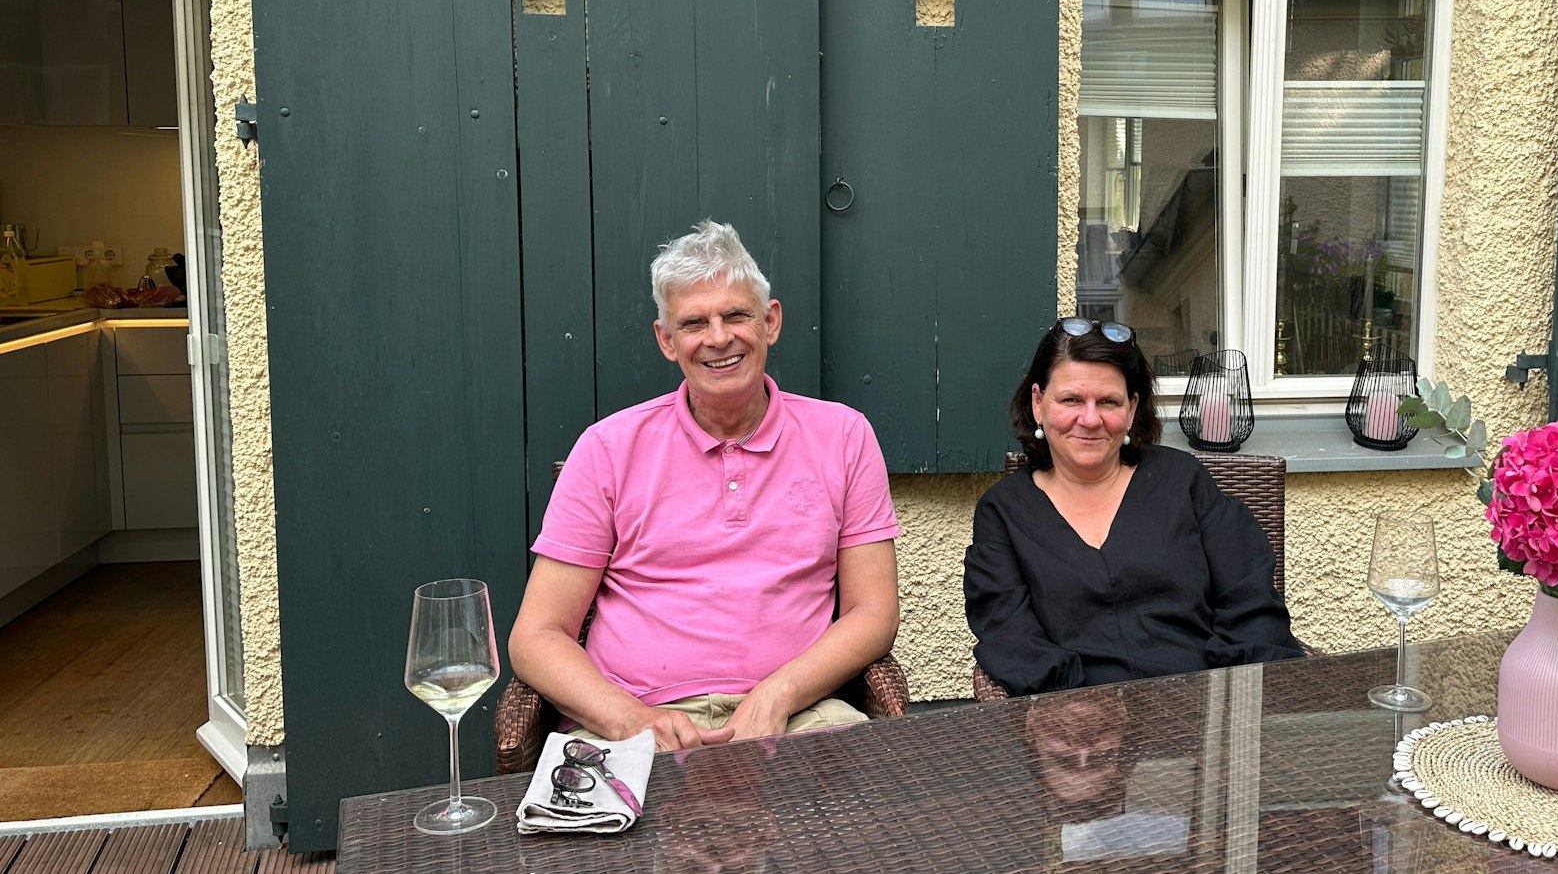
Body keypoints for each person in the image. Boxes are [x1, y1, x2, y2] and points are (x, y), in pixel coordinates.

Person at [510, 220, 900, 750]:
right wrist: (631, 720)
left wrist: (781, 692)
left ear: (771, 321)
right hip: (637, 722)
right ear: (667, 340)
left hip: (798, 715)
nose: (719, 338)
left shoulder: (845, 437)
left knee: (864, 823)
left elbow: (873, 613)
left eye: (736, 315)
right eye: (694, 323)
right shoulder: (607, 448)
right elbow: (536, 637)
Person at [963, 319, 1301, 696]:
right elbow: (1009, 636)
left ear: (1132, 408)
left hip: (1203, 715)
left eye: (1108, 401)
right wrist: (1078, 710)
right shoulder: (1004, 511)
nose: (1090, 420)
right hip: (1077, 732)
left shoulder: (1183, 480)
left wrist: (1232, 709)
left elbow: (1250, 604)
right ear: (1038, 403)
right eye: (1071, 399)